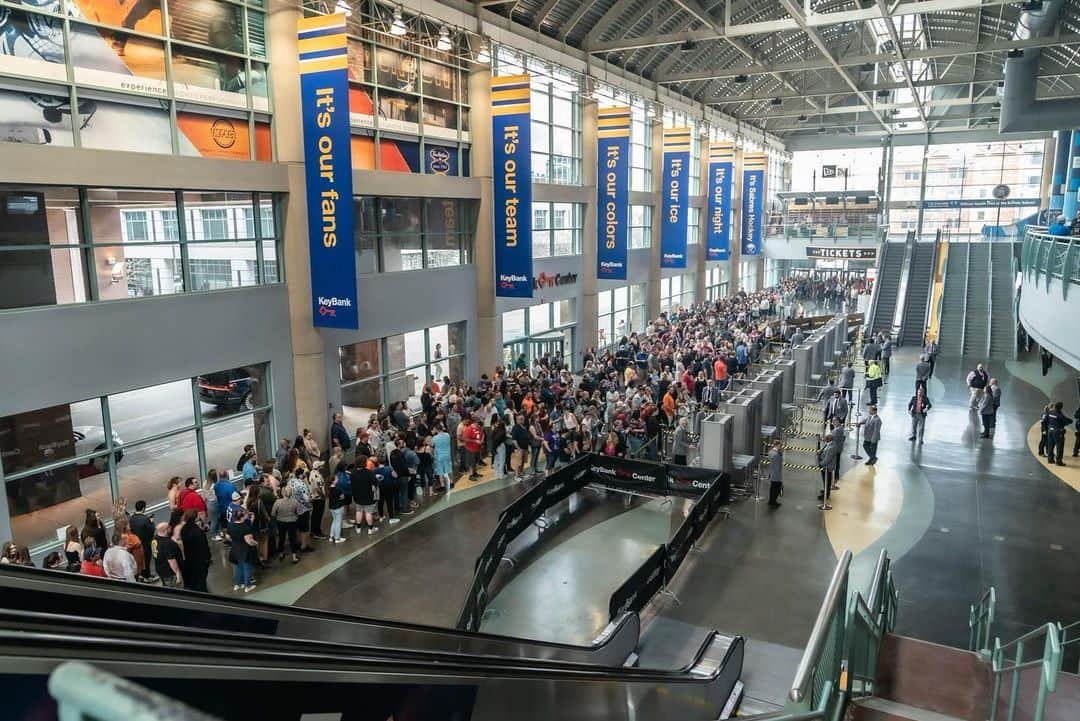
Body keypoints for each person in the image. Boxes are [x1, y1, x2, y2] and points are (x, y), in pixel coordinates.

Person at [227, 507, 259, 592]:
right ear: (242, 517)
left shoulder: (230, 525)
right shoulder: (245, 528)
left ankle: (238, 584)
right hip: (245, 551)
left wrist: (235, 540)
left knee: (237, 568)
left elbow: (228, 536)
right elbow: (249, 541)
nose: (246, 515)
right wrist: (256, 543)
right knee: (247, 568)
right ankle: (247, 586)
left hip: (234, 549)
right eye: (245, 514)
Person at [179, 509, 211, 592]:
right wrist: (207, 559)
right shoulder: (198, 532)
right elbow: (204, 547)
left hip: (189, 558)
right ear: (195, 518)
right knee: (201, 580)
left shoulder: (183, 529)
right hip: (200, 560)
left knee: (194, 579)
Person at [271, 485, 302, 563]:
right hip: (292, 522)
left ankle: (281, 554)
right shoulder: (295, 501)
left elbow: (273, 514)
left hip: (281, 522)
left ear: (282, 492)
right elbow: (299, 512)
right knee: (292, 539)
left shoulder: (278, 502)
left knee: (281, 538)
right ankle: (294, 557)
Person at [350, 456, 379, 534]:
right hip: (368, 495)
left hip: (357, 495)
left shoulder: (353, 473)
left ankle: (358, 527)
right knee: (368, 512)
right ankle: (370, 528)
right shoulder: (369, 473)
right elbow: (375, 483)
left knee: (358, 511)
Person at [151, 522, 183, 588]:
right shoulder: (167, 543)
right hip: (170, 572)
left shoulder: (155, 538)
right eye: (169, 527)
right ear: (166, 530)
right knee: (173, 589)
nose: (171, 527)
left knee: (165, 585)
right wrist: (178, 573)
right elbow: (171, 560)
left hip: (160, 568)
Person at [129, 501, 155, 580]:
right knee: (146, 559)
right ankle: (146, 575)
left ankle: (141, 574)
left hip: (135, 542)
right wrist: (152, 522)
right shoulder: (145, 519)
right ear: (143, 508)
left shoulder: (132, 518)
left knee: (139, 559)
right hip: (145, 542)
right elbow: (151, 530)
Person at [1045, 401, 1071, 465]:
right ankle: (1058, 461)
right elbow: (1067, 421)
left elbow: (1046, 420)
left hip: (1050, 431)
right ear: (1060, 407)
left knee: (1050, 445)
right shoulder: (1059, 415)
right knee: (1059, 447)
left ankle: (1050, 459)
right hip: (1058, 432)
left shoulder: (1050, 412)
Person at [327, 468, 349, 543]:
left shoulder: (329, 489)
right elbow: (342, 497)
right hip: (338, 507)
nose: (338, 479)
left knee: (334, 521)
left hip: (331, 507)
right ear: (333, 481)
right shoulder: (338, 489)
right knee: (338, 523)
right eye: (336, 478)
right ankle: (337, 538)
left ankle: (331, 536)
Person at [816, 434, 836, 511]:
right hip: (825, 466)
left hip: (826, 467)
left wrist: (820, 464)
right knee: (825, 481)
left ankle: (826, 495)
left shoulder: (831, 448)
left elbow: (827, 459)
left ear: (828, 440)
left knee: (826, 481)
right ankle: (825, 490)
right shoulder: (830, 444)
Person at [432, 424, 453, 491]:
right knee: (449, 469)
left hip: (439, 456)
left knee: (440, 471)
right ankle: (451, 482)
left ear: (436, 429)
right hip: (447, 454)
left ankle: (442, 485)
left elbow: (432, 445)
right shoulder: (447, 435)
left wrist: (433, 434)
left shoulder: (435, 438)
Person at [767, 440, 783, 508]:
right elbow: (777, 467)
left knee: (772, 488)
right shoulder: (776, 455)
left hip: (772, 472)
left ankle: (770, 500)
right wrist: (780, 477)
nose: (781, 447)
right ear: (778, 445)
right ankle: (774, 501)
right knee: (777, 488)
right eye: (780, 445)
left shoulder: (770, 452)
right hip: (776, 474)